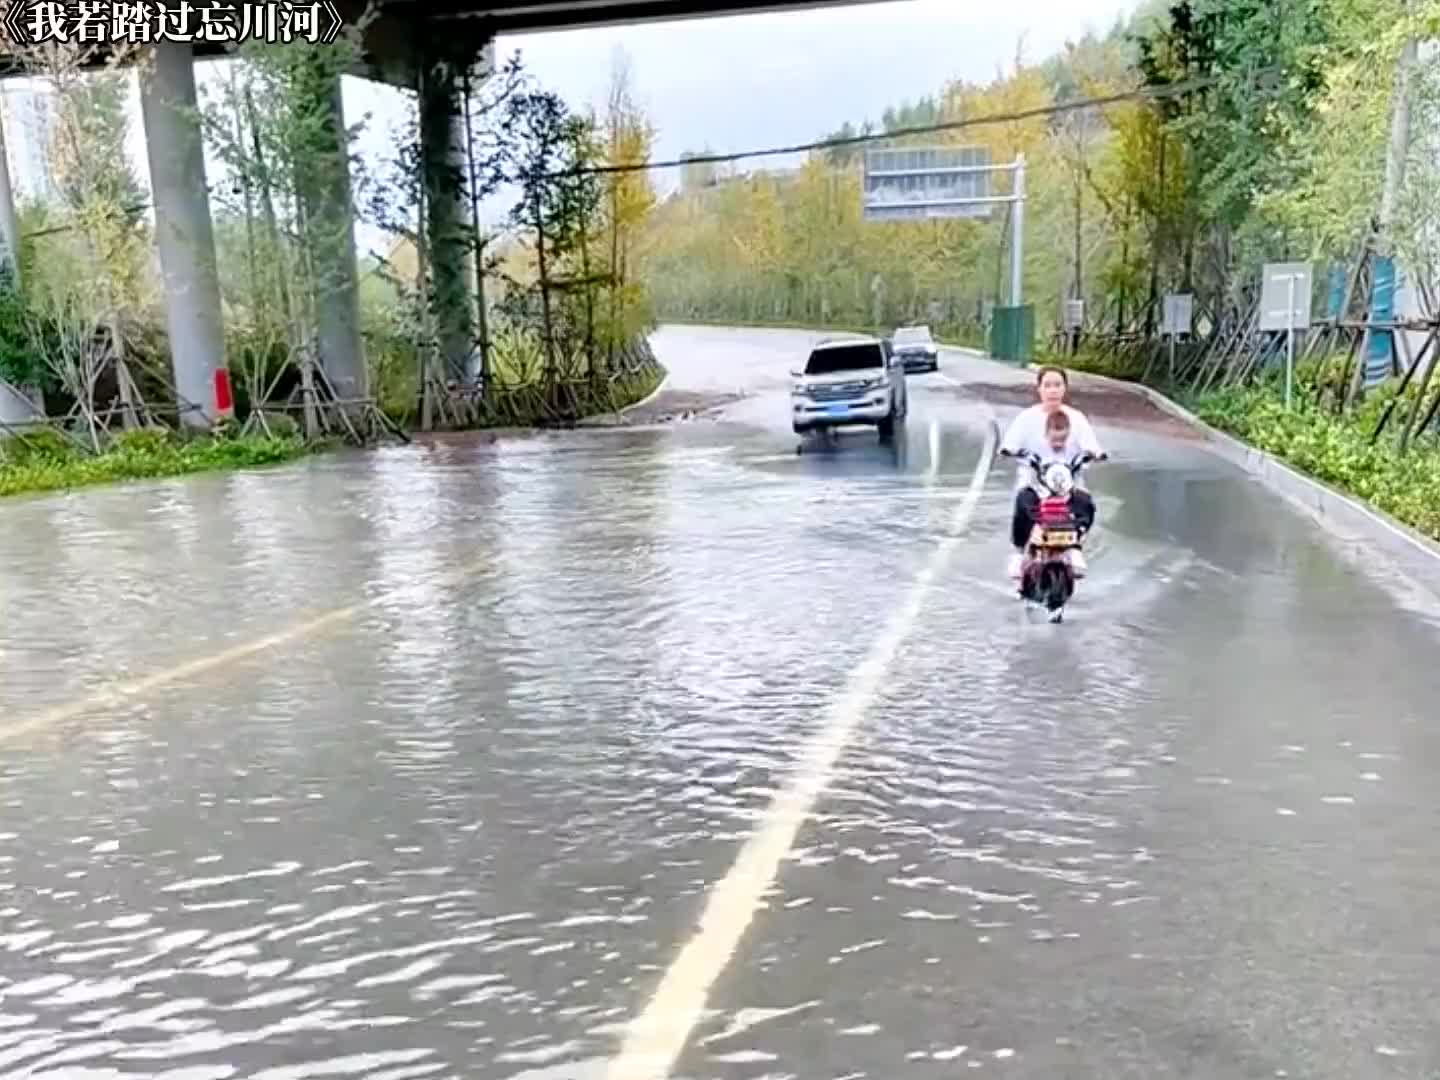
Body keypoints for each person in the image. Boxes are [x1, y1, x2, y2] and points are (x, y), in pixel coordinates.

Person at [998, 365, 1106, 580]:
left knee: (1085, 503)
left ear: (1065, 389)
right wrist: (1009, 451)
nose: (1053, 390)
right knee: (1023, 500)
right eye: (1047, 385)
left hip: (1068, 480)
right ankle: (1020, 552)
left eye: (1057, 385)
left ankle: (1075, 545)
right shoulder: (1027, 418)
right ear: (1039, 389)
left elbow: (1091, 445)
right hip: (1036, 481)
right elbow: (1009, 444)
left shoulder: (1076, 419)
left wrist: (1096, 453)